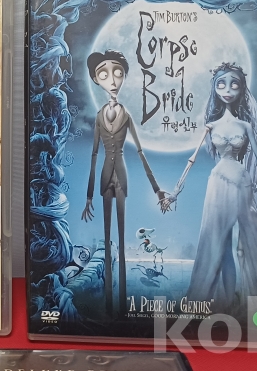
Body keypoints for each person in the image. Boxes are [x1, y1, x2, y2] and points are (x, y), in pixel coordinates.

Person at [165, 62, 257, 310]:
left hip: (241, 182)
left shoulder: (245, 126)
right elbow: (192, 159)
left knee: (245, 240)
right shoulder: (211, 126)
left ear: (241, 89)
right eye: (221, 84)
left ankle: (244, 299)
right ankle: (224, 300)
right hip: (218, 183)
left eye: (234, 84)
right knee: (218, 240)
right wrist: (176, 191)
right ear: (215, 89)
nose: (227, 90)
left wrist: (254, 183)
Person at [80, 50, 169, 317]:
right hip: (105, 176)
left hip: (122, 175)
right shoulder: (99, 116)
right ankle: (109, 302)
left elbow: (140, 152)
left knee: (120, 233)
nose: (112, 79)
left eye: (118, 73)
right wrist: (88, 196)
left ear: (125, 77)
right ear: (96, 79)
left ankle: (121, 304)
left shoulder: (126, 115)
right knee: (107, 236)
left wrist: (157, 189)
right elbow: (94, 154)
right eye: (104, 74)